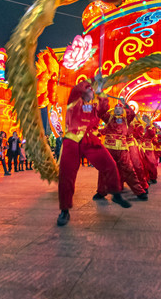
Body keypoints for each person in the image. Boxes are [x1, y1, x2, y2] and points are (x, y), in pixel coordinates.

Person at [56, 80, 131, 226]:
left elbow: (104, 108)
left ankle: (115, 193)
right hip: (72, 140)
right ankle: (64, 211)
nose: (91, 93)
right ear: (83, 92)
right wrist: (92, 81)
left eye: (92, 91)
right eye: (89, 91)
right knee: (66, 176)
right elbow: (77, 88)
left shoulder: (95, 107)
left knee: (109, 164)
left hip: (91, 140)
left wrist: (101, 89)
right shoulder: (73, 101)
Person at [94, 101, 147, 201]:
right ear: (113, 111)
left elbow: (132, 113)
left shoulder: (126, 119)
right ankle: (101, 192)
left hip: (122, 149)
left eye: (120, 108)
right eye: (116, 108)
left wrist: (125, 103)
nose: (118, 110)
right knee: (105, 169)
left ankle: (139, 192)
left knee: (129, 169)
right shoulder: (109, 118)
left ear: (122, 110)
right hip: (109, 148)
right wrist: (103, 100)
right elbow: (100, 112)